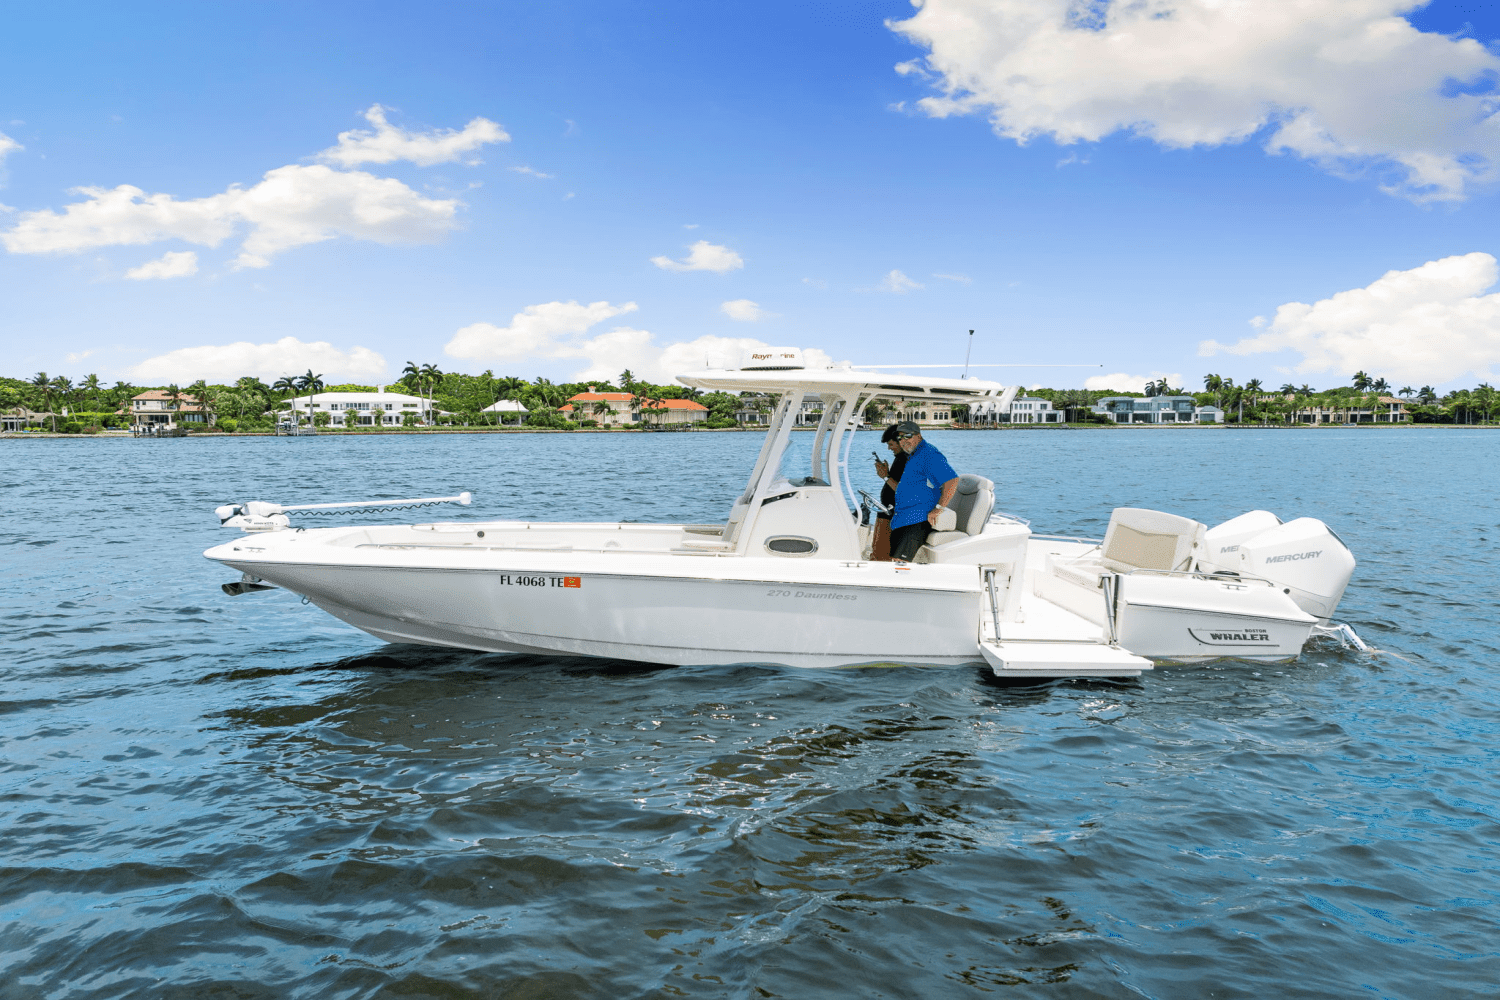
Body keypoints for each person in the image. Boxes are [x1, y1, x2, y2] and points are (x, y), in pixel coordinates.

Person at [888, 421, 959, 563]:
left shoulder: (929, 454)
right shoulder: (914, 455)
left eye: (907, 436)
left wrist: (938, 509)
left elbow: (952, 481)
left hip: (916, 520)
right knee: (896, 563)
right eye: (900, 438)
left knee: (899, 565)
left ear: (918, 436)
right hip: (903, 519)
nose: (903, 441)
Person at [871, 425, 908, 561]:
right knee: (877, 553)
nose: (889, 448)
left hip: (895, 515)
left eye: (891, 444)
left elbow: (904, 491)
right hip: (888, 511)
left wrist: (885, 476)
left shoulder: (907, 459)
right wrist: (886, 475)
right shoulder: (900, 457)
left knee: (880, 556)